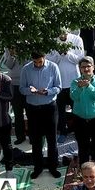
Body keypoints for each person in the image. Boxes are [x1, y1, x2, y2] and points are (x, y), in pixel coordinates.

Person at [19, 51, 62, 179]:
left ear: (44, 58)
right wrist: (30, 90)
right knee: (36, 140)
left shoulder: (53, 67)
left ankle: (53, 167)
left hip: (49, 108)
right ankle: (38, 168)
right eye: (35, 62)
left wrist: (48, 91)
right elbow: (22, 88)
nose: (38, 64)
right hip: (33, 109)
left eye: (40, 61)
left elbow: (59, 87)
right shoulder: (26, 69)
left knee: (52, 139)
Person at [47, 29, 85, 144]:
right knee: (60, 110)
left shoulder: (77, 39)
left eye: (64, 32)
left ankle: (78, 131)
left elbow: (80, 59)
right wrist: (58, 54)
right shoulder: (51, 41)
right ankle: (63, 132)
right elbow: (49, 61)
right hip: (59, 82)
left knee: (77, 108)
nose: (62, 34)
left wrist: (67, 53)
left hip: (74, 80)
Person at [70, 56, 95, 169]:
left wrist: (88, 86)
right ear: (80, 69)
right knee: (83, 146)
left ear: (93, 67)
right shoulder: (75, 82)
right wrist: (80, 88)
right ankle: (84, 170)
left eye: (88, 66)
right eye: (83, 67)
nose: (86, 69)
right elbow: (73, 97)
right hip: (80, 119)